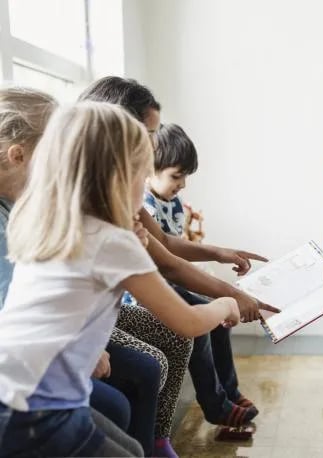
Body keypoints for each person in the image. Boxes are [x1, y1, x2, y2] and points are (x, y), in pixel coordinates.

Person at [0, 101, 239, 456]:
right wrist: (225, 305)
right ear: (117, 176)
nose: (142, 192)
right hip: (38, 411)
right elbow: (187, 322)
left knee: (131, 449)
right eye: (141, 176)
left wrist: (131, 243)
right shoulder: (110, 242)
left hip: (16, 395)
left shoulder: (47, 224)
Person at [79, 77, 279, 428]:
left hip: (96, 323)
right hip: (86, 330)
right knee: (181, 334)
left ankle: (164, 436)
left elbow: (166, 246)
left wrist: (220, 254)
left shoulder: (122, 190)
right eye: (150, 133)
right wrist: (233, 298)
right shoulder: (106, 198)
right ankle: (208, 410)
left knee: (162, 355)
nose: (155, 144)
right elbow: (167, 265)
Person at [0, 87, 165, 457]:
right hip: (26, 381)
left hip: (58, 349)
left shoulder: (32, 206)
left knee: (145, 375)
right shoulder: (30, 212)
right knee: (126, 395)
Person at [144, 123, 258, 423]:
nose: (181, 184)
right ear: (147, 170)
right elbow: (165, 259)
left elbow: (174, 245)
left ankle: (229, 391)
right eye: (175, 176)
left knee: (220, 321)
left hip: (168, 280)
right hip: (147, 287)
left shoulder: (174, 202)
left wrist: (219, 253)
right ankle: (215, 404)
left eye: (185, 177)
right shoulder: (144, 205)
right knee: (203, 317)